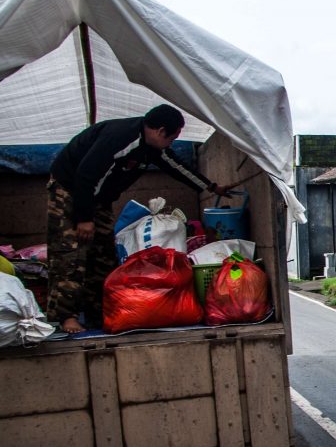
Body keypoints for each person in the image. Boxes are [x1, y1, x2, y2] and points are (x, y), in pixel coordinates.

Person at [45, 104, 237, 334]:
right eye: (172, 138)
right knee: (72, 253)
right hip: (71, 191)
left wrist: (212, 187)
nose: (172, 143)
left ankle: (98, 313)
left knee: (103, 255)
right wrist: (84, 217)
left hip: (99, 199)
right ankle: (67, 316)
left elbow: (176, 167)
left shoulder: (153, 147)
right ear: (160, 131)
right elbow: (86, 175)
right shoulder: (120, 139)